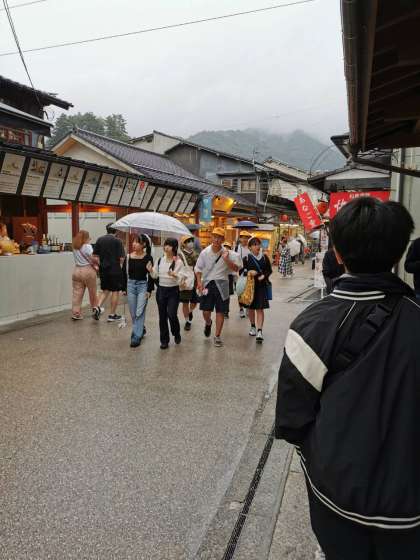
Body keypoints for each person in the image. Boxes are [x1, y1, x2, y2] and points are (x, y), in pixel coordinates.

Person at [275, 197, 420, 560]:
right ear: (399, 254)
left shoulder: (311, 325)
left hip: (336, 499)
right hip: (410, 510)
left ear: (337, 253)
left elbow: (292, 421)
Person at [195, 227, 240, 347]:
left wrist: (226, 259)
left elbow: (236, 268)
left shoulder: (228, 253)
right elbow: (198, 268)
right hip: (208, 283)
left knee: (221, 311)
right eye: (215, 237)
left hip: (223, 284)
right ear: (211, 237)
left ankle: (217, 336)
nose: (216, 239)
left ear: (223, 240)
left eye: (219, 237)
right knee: (205, 311)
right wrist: (199, 282)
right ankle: (208, 323)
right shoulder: (205, 252)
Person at [150, 238, 183, 349]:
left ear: (175, 248)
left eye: (169, 245)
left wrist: (174, 275)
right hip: (161, 291)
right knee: (162, 316)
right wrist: (150, 270)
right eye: (165, 245)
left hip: (173, 291)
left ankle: (176, 332)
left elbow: (181, 279)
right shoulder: (160, 260)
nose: (166, 247)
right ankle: (164, 340)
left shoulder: (178, 262)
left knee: (172, 314)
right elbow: (155, 275)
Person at [122, 234, 154, 348]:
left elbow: (151, 275)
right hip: (130, 285)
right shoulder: (128, 257)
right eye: (133, 242)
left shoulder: (148, 258)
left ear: (143, 244)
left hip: (143, 286)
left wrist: (149, 290)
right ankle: (141, 328)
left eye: (137, 242)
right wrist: (124, 288)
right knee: (133, 312)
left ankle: (136, 336)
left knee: (139, 311)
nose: (134, 244)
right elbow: (123, 273)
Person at [242, 237, 272, 343]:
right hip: (250, 287)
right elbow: (242, 272)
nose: (257, 246)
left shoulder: (264, 257)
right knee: (251, 308)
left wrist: (263, 275)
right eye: (254, 244)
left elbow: (269, 270)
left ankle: (260, 331)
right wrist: (249, 272)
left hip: (261, 286)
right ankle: (253, 326)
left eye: (258, 244)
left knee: (260, 309)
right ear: (250, 247)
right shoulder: (246, 258)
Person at [93, 223, 125, 322]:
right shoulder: (118, 241)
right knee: (115, 291)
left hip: (104, 270)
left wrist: (101, 264)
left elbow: (95, 256)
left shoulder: (100, 239)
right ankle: (112, 314)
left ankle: (98, 307)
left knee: (105, 290)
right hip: (115, 270)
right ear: (116, 230)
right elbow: (121, 258)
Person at [71, 230, 100, 321]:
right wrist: (98, 260)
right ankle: (95, 309)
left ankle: (76, 313)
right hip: (87, 271)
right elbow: (93, 258)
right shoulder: (87, 246)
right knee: (92, 292)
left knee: (77, 293)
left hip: (76, 271)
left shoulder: (75, 246)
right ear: (85, 238)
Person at [179, 235, 200, 331]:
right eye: (188, 241)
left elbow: (200, 266)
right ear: (183, 244)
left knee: (195, 302)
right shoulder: (180, 255)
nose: (191, 243)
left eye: (191, 241)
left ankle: (190, 312)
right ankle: (187, 321)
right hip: (185, 280)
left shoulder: (196, 253)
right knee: (185, 302)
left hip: (195, 280)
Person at [235, 231, 252, 318]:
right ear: (240, 238)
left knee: (249, 290)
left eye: (246, 238)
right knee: (239, 291)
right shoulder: (237, 248)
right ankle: (241, 308)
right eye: (243, 237)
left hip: (249, 272)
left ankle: (248, 307)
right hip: (239, 272)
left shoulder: (250, 248)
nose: (245, 239)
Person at [223, 241, 236, 318]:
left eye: (228, 248)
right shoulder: (220, 256)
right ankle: (222, 309)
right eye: (225, 247)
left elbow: (234, 269)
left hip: (229, 277)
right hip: (221, 277)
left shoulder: (232, 257)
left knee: (227, 295)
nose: (226, 249)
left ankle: (226, 311)